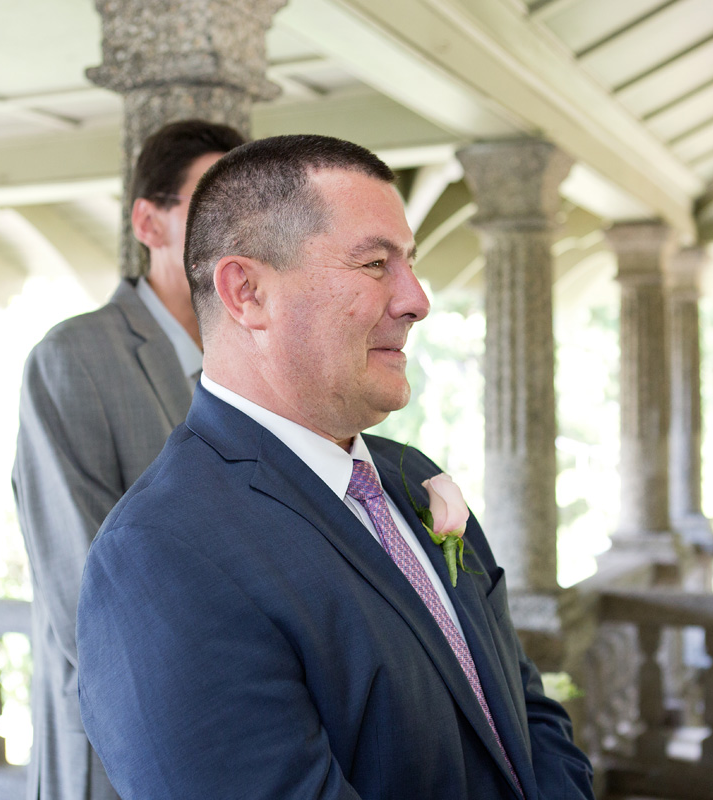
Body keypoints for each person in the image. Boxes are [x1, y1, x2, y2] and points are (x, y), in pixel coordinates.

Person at [77, 134, 594, 800]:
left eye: (409, 262)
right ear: (247, 293)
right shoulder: (160, 555)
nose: (416, 300)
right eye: (376, 263)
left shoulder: (411, 479)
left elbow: (525, 713)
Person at [12, 120, 246, 800]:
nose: (239, 228)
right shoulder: (73, 359)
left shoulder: (257, 370)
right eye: (212, 204)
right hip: (124, 752)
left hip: (250, 742)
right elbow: (83, 598)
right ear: (150, 222)